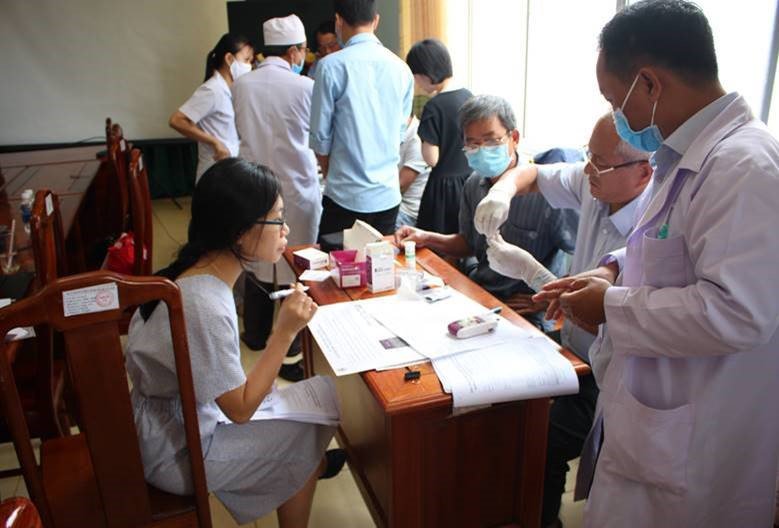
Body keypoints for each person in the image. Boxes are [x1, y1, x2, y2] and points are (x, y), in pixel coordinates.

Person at [531, 1, 779, 526]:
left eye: (612, 99)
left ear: (649, 84)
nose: (618, 117)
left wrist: (612, 308)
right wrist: (612, 270)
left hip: (693, 449)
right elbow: (673, 247)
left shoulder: (744, 166)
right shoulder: (685, 153)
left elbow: (739, 311)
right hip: (651, 422)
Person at [126, 159, 346, 527]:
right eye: (276, 219)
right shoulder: (205, 304)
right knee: (309, 433)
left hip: (173, 421)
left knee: (304, 409)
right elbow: (240, 410)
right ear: (241, 231)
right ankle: (308, 467)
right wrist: (285, 331)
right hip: (176, 450)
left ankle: (303, 469)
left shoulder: (195, 272)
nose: (285, 229)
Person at [475, 114, 652, 528]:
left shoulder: (653, 228)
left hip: (610, 371)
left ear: (643, 173)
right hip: (568, 350)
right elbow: (531, 173)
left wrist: (533, 272)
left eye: (600, 163)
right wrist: (501, 192)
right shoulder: (597, 183)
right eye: (589, 156)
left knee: (545, 441)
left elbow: (604, 319)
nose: (588, 168)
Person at [395, 95, 575, 328]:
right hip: (482, 295)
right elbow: (469, 243)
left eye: (491, 141)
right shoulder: (474, 183)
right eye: (472, 144)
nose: (481, 151)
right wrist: (426, 237)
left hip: (525, 311)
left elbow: (582, 258)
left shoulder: (546, 192)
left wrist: (545, 299)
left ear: (515, 138)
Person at [233, 15, 320, 382]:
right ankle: (292, 348)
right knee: (294, 261)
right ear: (294, 50)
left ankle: (254, 334)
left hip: (253, 184)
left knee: (255, 256)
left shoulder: (241, 84)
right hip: (296, 188)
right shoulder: (304, 86)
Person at [310, 0, 414, 239]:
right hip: (387, 196)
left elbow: (320, 138)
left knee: (333, 269)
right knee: (379, 272)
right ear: (376, 20)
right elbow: (400, 134)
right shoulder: (401, 69)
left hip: (344, 194)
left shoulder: (329, 67)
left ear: (338, 21)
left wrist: (330, 174)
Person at [406, 38, 473, 234]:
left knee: (435, 246)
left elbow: (431, 159)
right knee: (464, 240)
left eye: (416, 75)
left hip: (443, 189)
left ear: (427, 74)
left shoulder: (434, 106)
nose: (416, 82)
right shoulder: (468, 96)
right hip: (470, 180)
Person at [169, 33, 253, 182]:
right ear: (229, 59)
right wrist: (215, 142)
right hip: (214, 173)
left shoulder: (231, 89)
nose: (249, 66)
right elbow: (177, 120)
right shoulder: (212, 90)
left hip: (230, 169)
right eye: (246, 60)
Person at [396, 113, 430, 228]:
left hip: (407, 212)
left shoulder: (417, 138)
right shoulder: (400, 134)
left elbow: (400, 186)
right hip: (399, 205)